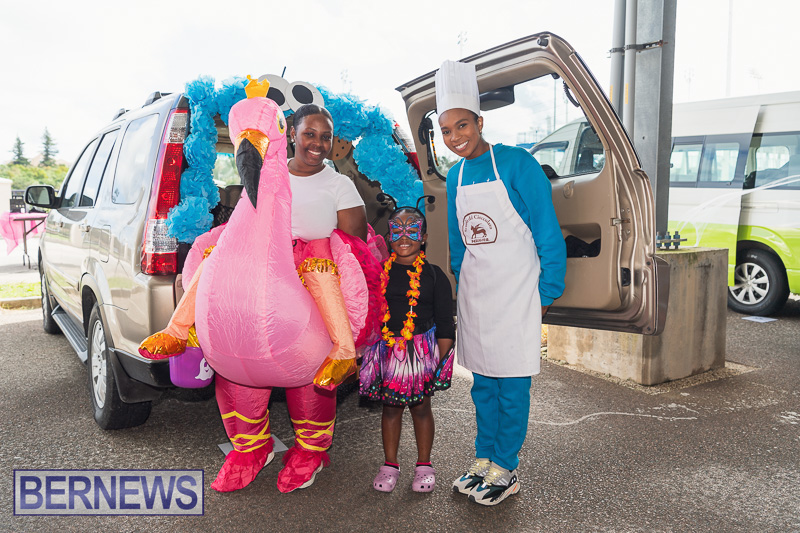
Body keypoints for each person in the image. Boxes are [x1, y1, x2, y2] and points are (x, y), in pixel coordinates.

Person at [436, 60, 567, 506]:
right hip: (477, 293)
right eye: (446, 131)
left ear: (480, 121)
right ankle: (483, 458)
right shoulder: (455, 175)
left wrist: (547, 293)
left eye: (462, 126)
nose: (455, 138)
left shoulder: (516, 164)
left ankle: (506, 467)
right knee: (482, 386)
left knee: (512, 387)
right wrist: (461, 289)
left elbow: (547, 231)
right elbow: (458, 243)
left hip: (517, 293)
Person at [359, 207, 455, 493]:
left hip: (422, 353)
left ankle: (424, 465)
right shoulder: (379, 273)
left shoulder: (435, 276)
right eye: (396, 229)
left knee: (421, 407)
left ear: (423, 237)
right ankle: (390, 465)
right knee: (390, 409)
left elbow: (445, 324)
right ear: (388, 237)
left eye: (412, 229)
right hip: (387, 351)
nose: (404, 236)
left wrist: (436, 362)